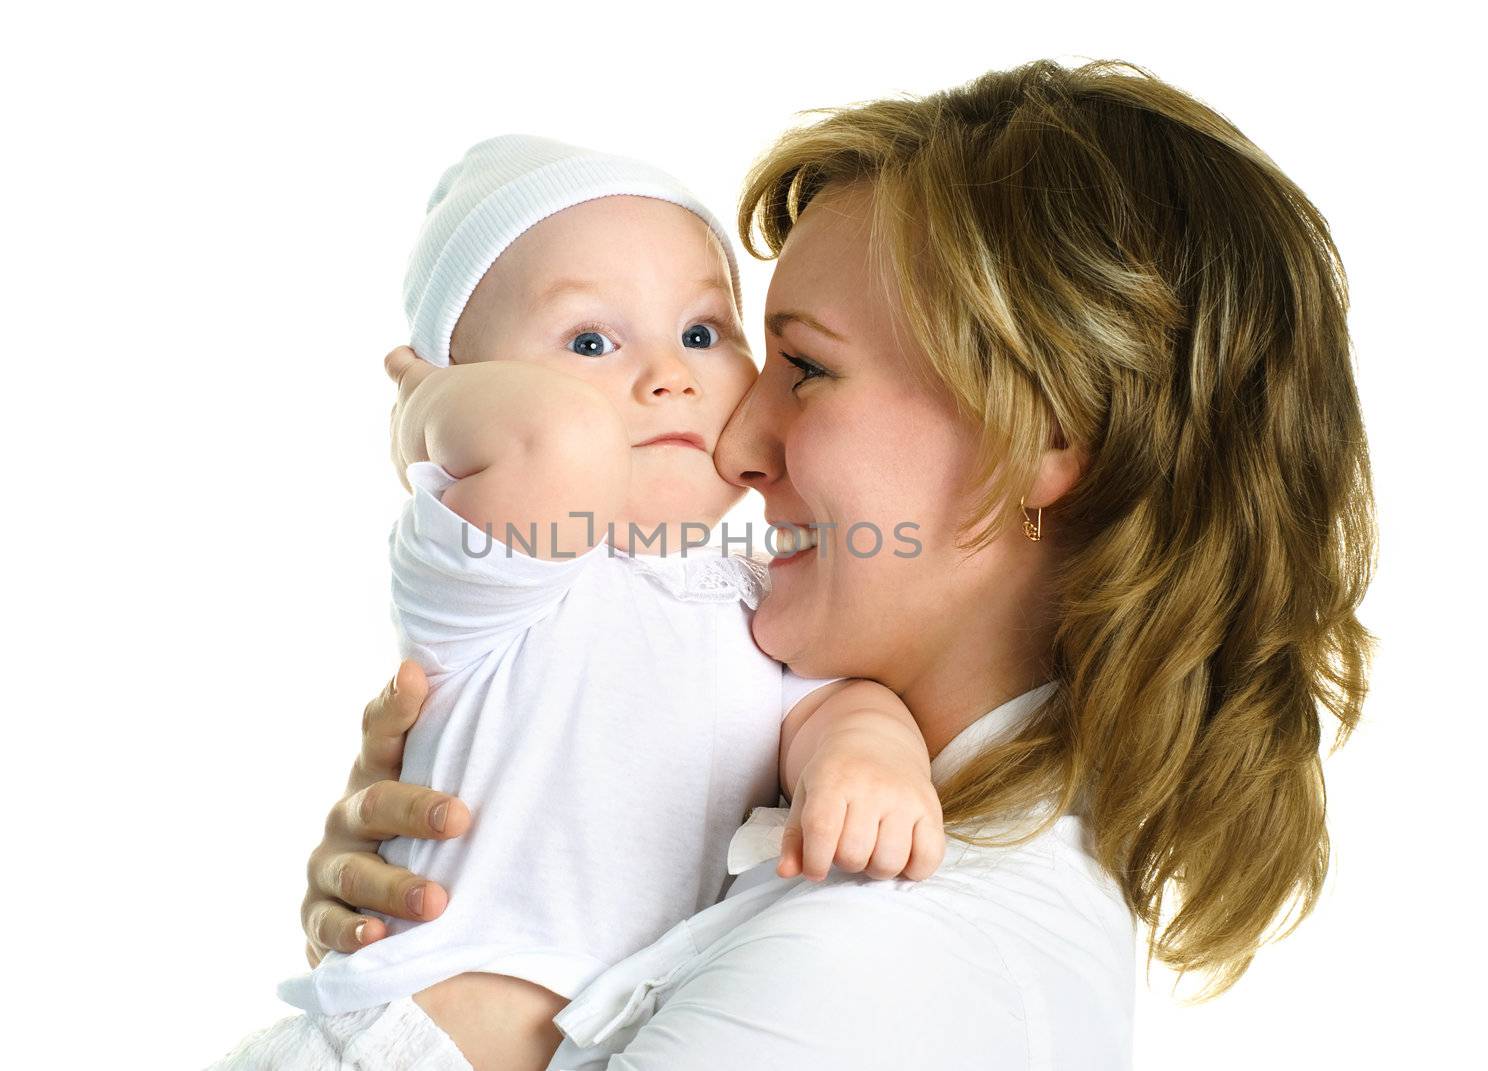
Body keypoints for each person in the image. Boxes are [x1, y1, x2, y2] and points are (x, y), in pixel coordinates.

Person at [298, 57, 1377, 1068]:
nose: (731, 441)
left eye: (805, 367)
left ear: (1039, 436)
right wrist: (462, 910)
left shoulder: (867, 965)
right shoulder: (854, 865)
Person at [210, 134, 952, 1070]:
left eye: (702, 332)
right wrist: (417, 416)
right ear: (467, 392)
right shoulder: (503, 566)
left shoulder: (762, 594)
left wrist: (868, 752)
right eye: (591, 340)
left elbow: (825, 702)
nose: (668, 376)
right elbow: (556, 443)